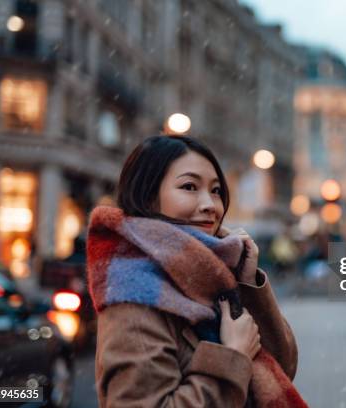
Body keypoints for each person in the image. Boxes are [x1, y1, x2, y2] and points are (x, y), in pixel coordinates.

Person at [87, 135, 307, 407]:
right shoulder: (136, 292)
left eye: (216, 191)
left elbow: (283, 365)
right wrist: (232, 356)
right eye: (189, 186)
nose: (210, 205)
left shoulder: (216, 274)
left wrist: (247, 283)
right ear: (148, 197)